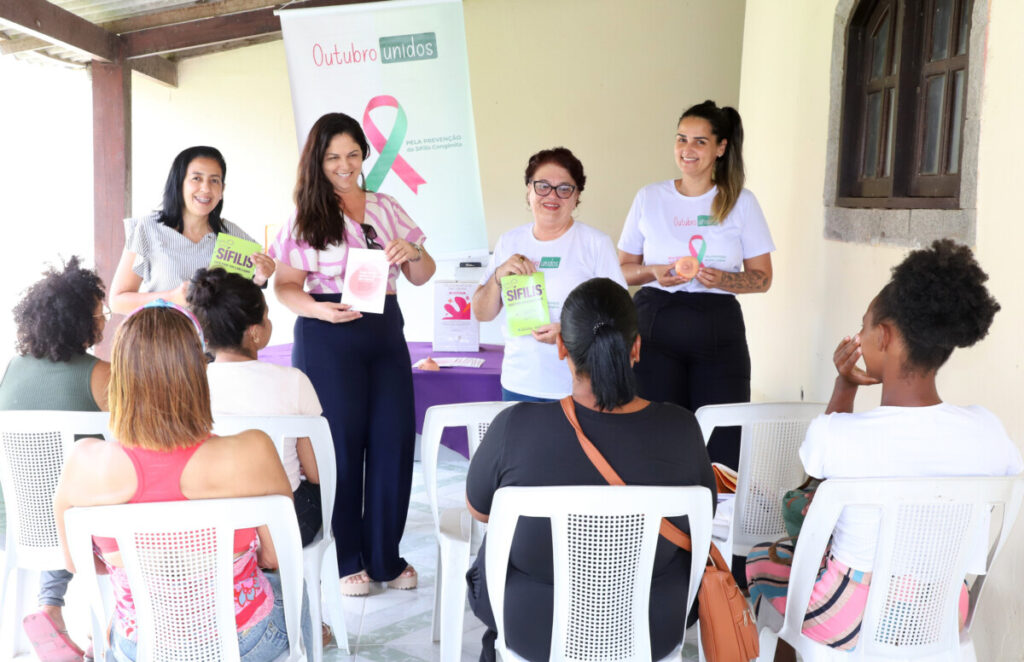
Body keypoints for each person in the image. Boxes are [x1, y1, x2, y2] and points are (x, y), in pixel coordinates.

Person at [745, 240, 1023, 659]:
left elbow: (813, 485)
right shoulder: (988, 431)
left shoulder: (841, 437)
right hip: (942, 609)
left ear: (886, 337)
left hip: (850, 615)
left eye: (864, 326)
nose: (858, 336)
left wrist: (845, 385)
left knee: (762, 557)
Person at [465, 277, 716, 661]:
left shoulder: (515, 427)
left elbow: (480, 510)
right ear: (635, 348)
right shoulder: (683, 429)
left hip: (537, 630)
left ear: (562, 346)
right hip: (652, 629)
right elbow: (702, 519)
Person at [53, 301, 313, 662]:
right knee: (294, 589)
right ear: (196, 372)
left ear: (122, 377)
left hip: (139, 647)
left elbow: (77, 563)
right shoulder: (254, 450)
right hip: (245, 644)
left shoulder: (84, 462)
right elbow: (276, 557)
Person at [269, 112, 436, 596]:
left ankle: (386, 555)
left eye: (353, 155)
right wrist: (321, 314)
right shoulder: (305, 216)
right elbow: (283, 287)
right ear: (317, 163)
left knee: (393, 441)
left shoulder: (386, 207)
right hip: (327, 333)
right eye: (333, 157)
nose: (345, 165)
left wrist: (414, 253)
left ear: (365, 155)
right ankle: (348, 560)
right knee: (339, 447)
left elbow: (422, 275)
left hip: (385, 328)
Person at [617, 100, 775, 469]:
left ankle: (714, 521)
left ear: (720, 148)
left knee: (720, 442)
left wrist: (723, 278)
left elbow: (763, 278)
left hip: (718, 330)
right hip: (654, 326)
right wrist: (655, 272)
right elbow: (622, 270)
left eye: (700, 141)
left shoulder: (740, 202)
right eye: (681, 139)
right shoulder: (649, 197)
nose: (687, 150)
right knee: (653, 436)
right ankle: (657, 521)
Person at [0, 257, 109, 661]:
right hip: (78, 529)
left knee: (59, 492)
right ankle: (114, 628)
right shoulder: (101, 374)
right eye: (101, 314)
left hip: (17, 523)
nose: (103, 322)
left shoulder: (11, 369)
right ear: (82, 321)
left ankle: (50, 606)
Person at [472, 147, 627, 402]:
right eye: (542, 186)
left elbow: (620, 318)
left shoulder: (595, 244)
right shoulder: (509, 242)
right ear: (528, 191)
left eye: (564, 188)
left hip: (579, 386)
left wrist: (569, 334)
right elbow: (481, 313)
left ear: (577, 196)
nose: (552, 196)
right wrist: (499, 276)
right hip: (520, 383)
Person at [187, 267, 324, 547]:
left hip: (209, 522)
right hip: (282, 523)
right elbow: (316, 472)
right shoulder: (293, 381)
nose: (269, 321)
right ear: (255, 333)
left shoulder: (189, 385)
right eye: (267, 316)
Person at [109, 146, 275, 313]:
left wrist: (260, 278)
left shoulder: (232, 234)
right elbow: (117, 301)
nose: (206, 188)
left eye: (214, 180)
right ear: (178, 183)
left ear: (222, 190)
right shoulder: (148, 229)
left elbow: (240, 298)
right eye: (196, 178)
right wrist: (172, 297)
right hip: (163, 337)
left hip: (216, 339)